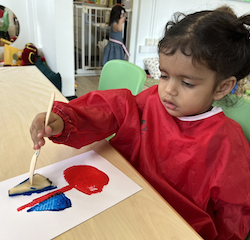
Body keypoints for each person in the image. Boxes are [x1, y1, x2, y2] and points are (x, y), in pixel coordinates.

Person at [30, 6, 250, 240]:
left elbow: (235, 211)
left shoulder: (227, 141)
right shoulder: (151, 101)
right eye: (164, 75)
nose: (168, 90)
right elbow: (108, 110)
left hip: (174, 227)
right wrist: (65, 120)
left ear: (222, 87)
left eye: (187, 83)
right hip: (120, 203)